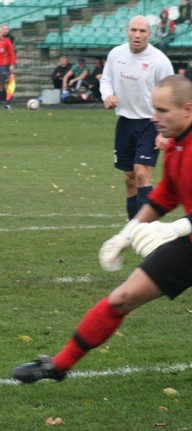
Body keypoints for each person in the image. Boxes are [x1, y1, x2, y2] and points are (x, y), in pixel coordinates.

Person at [12, 74, 192, 384]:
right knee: (123, 297)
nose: (154, 118)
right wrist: (127, 233)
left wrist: (174, 228)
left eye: (162, 111)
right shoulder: (176, 146)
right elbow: (166, 195)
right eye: (153, 109)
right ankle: (59, 365)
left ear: (187, 109)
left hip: (183, 232)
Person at [99, 15, 174, 221]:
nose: (137, 35)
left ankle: (145, 228)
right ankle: (133, 226)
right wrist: (107, 95)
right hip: (125, 122)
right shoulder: (116, 54)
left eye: (142, 31)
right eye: (134, 30)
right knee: (130, 178)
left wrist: (164, 131)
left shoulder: (160, 61)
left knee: (142, 174)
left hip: (151, 123)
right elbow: (106, 80)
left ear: (149, 34)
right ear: (127, 31)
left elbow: (171, 96)